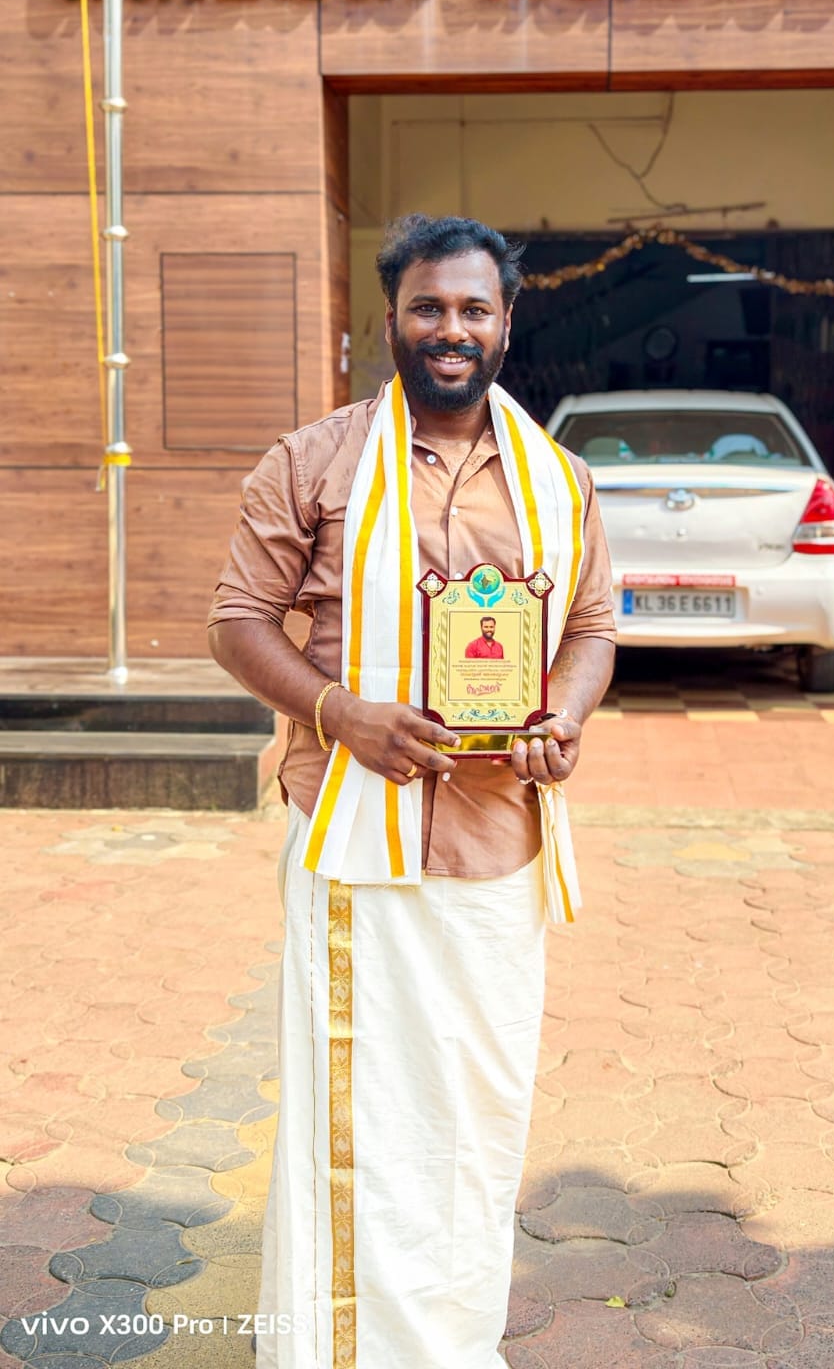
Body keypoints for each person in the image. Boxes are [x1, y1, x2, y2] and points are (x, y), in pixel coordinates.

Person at [207, 214, 616, 1369]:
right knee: (359, 1119)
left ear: (507, 322)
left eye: (474, 308)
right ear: (390, 318)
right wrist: (340, 712)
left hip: (497, 851)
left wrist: (564, 718)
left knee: (474, 1125)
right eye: (428, 306)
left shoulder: (559, 478)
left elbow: (591, 626)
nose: (451, 328)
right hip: (353, 847)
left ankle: (449, 1347)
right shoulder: (313, 461)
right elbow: (237, 621)